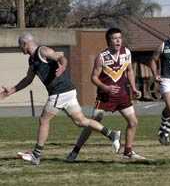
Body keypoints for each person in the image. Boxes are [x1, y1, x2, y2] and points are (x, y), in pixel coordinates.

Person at [0, 33, 121, 165]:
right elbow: (28, 80)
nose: (20, 49)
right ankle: (112, 134)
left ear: (25, 44)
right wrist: (10, 91)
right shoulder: (32, 60)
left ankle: (36, 155)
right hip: (67, 91)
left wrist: (63, 66)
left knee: (44, 120)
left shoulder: (43, 51)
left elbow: (61, 57)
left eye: (20, 46)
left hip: (60, 91)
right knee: (81, 121)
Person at [66, 28, 145, 162]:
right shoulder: (102, 57)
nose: (118, 40)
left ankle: (128, 151)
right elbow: (93, 77)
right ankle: (75, 151)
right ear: (109, 41)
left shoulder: (127, 53)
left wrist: (133, 87)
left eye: (120, 37)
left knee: (133, 122)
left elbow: (130, 71)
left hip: (122, 95)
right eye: (115, 38)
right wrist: (106, 87)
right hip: (105, 97)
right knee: (92, 124)